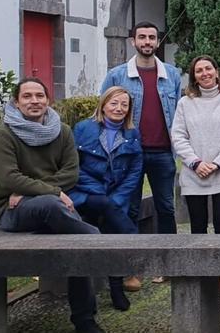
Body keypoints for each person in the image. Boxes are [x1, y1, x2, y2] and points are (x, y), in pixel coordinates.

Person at [0, 78, 102, 333]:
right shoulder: (3, 135)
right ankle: (99, 240)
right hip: (13, 211)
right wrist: (53, 192)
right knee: (79, 228)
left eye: (39, 95)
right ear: (16, 103)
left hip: (53, 209)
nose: (34, 101)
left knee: (77, 244)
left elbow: (71, 174)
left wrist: (33, 190)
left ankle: (84, 320)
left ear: (48, 100)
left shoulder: (61, 131)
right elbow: (9, 178)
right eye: (27, 96)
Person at [100, 21, 181, 291]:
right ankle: (131, 269)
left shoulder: (172, 74)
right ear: (133, 41)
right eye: (142, 37)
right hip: (128, 155)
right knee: (129, 209)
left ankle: (168, 265)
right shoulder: (116, 75)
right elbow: (104, 114)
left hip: (162, 152)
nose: (147, 42)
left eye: (152, 38)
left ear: (158, 42)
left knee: (166, 208)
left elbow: (179, 115)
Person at [170, 55, 220, 296]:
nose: (204, 73)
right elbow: (178, 136)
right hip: (195, 174)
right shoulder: (185, 103)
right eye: (199, 70)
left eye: (208, 68)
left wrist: (216, 163)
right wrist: (195, 163)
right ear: (194, 76)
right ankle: (203, 271)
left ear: (216, 71)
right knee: (198, 225)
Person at [69, 86, 144, 312]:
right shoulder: (83, 128)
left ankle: (116, 286)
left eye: (124, 104)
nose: (119, 108)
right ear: (103, 104)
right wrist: (102, 195)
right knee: (108, 212)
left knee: (111, 224)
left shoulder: (132, 133)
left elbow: (135, 170)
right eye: (114, 103)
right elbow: (74, 167)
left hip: (114, 199)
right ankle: (135, 249)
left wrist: (117, 198)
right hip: (86, 195)